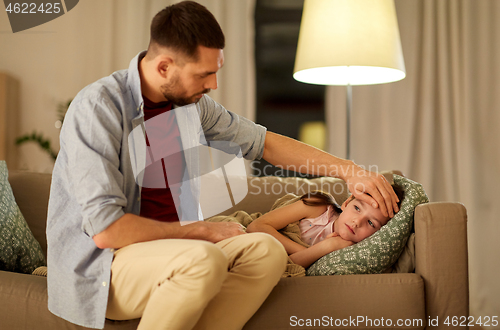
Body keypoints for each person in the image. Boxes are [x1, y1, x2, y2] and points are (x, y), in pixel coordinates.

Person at [46, 1, 400, 330]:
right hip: (107, 265)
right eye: (203, 75)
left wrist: (348, 169)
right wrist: (202, 232)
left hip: (174, 249)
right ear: (165, 66)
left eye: (215, 72)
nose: (213, 85)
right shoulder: (99, 108)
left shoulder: (191, 106)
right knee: (203, 258)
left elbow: (264, 143)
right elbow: (107, 230)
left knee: (267, 252)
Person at [247, 186, 405, 268]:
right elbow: (256, 227)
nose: (357, 222)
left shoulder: (350, 251)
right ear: (347, 202)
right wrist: (318, 249)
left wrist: (327, 248)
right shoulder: (318, 206)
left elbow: (285, 265)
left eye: (371, 223)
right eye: (357, 208)